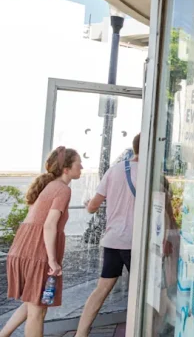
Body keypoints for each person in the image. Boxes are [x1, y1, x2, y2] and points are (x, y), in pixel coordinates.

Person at [0, 147, 82, 337]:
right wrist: (53, 260)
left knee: (33, 302)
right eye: (78, 164)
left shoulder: (50, 185)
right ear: (66, 169)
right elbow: (49, 225)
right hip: (38, 250)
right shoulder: (63, 189)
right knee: (38, 312)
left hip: (24, 247)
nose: (82, 167)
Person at [76, 134, 140, 336]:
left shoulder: (115, 170)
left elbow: (93, 207)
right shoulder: (149, 173)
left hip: (113, 240)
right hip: (135, 242)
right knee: (147, 290)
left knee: (102, 289)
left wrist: (88, 204)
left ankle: (81, 333)